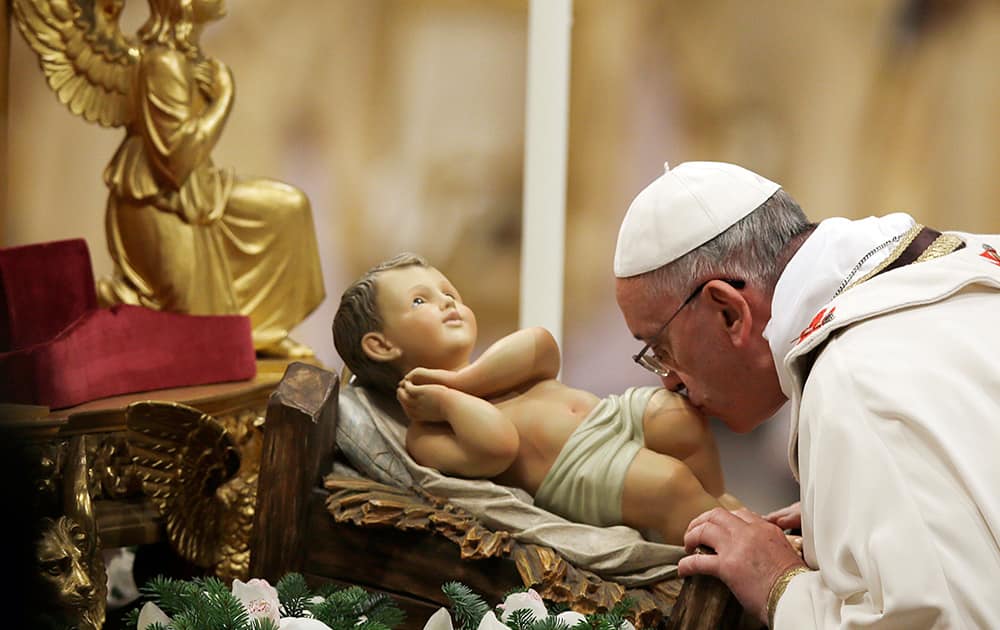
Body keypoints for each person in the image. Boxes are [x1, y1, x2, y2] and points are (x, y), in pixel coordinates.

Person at [613, 161, 1000, 628]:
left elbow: (952, 620)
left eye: (660, 348)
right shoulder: (965, 263)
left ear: (729, 312)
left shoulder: (856, 376)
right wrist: (846, 508)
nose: (668, 381)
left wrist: (779, 584)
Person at [332, 253, 742, 544]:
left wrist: (465, 381)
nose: (447, 302)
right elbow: (498, 445)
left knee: (677, 415)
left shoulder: (488, 370)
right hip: (577, 468)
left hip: (610, 417)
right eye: (420, 301)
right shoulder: (426, 433)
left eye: (449, 293)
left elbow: (543, 346)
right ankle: (717, 541)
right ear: (381, 346)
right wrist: (448, 399)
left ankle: (720, 506)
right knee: (669, 485)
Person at [99, 0, 324, 357]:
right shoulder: (162, 62)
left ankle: (263, 330)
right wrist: (224, 99)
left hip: (195, 192)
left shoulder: (184, 56)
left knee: (289, 208)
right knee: (195, 333)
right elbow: (176, 160)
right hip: (157, 201)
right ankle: (116, 301)